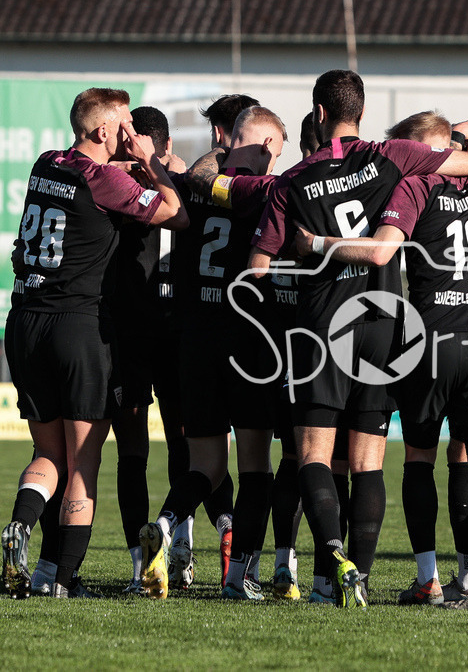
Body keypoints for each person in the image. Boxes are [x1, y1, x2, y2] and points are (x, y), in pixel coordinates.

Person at [247, 69, 468, 608]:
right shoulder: (395, 156)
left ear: (318, 114)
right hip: (385, 325)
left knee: (314, 456)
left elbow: (258, 268)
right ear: (361, 111)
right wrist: (464, 137)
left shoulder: (292, 181)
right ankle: (354, 576)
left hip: (322, 327)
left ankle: (330, 562)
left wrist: (300, 259)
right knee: (368, 464)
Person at [1, 88, 188, 598]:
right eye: (124, 124)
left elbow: (89, 178)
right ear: (104, 130)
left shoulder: (46, 162)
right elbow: (175, 212)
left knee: (48, 454)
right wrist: (151, 161)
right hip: (77, 327)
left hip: (24, 321)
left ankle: (22, 525)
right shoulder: (104, 180)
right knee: (83, 463)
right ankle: (62, 581)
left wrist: (125, 163)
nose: (129, 132)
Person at [137, 106, 287, 600]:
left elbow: (193, 175)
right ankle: (239, 576)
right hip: (248, 342)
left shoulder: (194, 187)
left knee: (204, 466)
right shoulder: (267, 192)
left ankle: (164, 523)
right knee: (255, 469)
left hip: (195, 342)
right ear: (267, 146)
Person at [109, 105, 190, 595]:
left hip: (139, 335)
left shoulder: (120, 188)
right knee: (178, 447)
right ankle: (174, 553)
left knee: (138, 454)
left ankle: (147, 564)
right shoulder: (181, 183)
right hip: (169, 334)